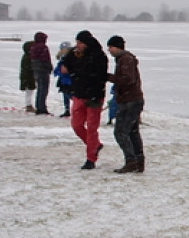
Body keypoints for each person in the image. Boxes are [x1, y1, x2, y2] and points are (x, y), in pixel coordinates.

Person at [61, 30, 108, 169]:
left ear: (86, 43)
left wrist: (95, 94)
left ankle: (91, 159)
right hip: (78, 94)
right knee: (77, 125)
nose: (78, 45)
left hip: (94, 96)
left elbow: (101, 77)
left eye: (80, 43)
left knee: (92, 128)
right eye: (77, 42)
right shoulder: (73, 54)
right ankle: (95, 145)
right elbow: (65, 66)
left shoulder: (99, 56)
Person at [106, 35, 145, 173]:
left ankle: (131, 161)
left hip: (130, 101)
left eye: (110, 47)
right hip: (133, 100)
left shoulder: (125, 59)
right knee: (133, 132)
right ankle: (139, 161)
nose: (109, 50)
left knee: (120, 132)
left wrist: (109, 77)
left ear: (117, 47)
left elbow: (128, 79)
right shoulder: (125, 59)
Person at [29, 31, 53, 115]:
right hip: (43, 70)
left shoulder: (33, 47)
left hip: (36, 70)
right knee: (44, 89)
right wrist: (50, 67)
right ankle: (42, 108)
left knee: (39, 89)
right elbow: (46, 59)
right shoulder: (43, 47)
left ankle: (39, 106)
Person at [53, 41, 73, 116]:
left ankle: (70, 109)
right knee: (65, 94)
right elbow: (59, 66)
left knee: (69, 94)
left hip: (68, 80)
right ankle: (67, 109)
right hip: (64, 80)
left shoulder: (69, 57)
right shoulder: (63, 57)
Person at [19, 42, 35, 112]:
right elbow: (28, 68)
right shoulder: (28, 57)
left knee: (29, 91)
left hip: (27, 76)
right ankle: (28, 105)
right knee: (29, 91)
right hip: (28, 77)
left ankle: (28, 104)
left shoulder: (26, 56)